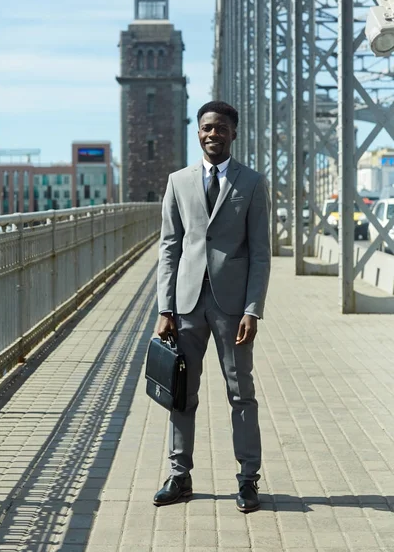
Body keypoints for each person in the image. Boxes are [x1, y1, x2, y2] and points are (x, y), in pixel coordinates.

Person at [154, 100, 271, 512]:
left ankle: (248, 479)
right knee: (181, 393)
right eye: (206, 128)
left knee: (241, 393)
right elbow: (169, 247)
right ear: (198, 132)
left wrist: (253, 310)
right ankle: (179, 474)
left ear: (233, 133)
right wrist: (164, 308)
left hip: (233, 307)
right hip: (186, 306)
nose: (212, 134)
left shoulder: (253, 183)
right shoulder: (178, 181)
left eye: (220, 128)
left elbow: (261, 253)